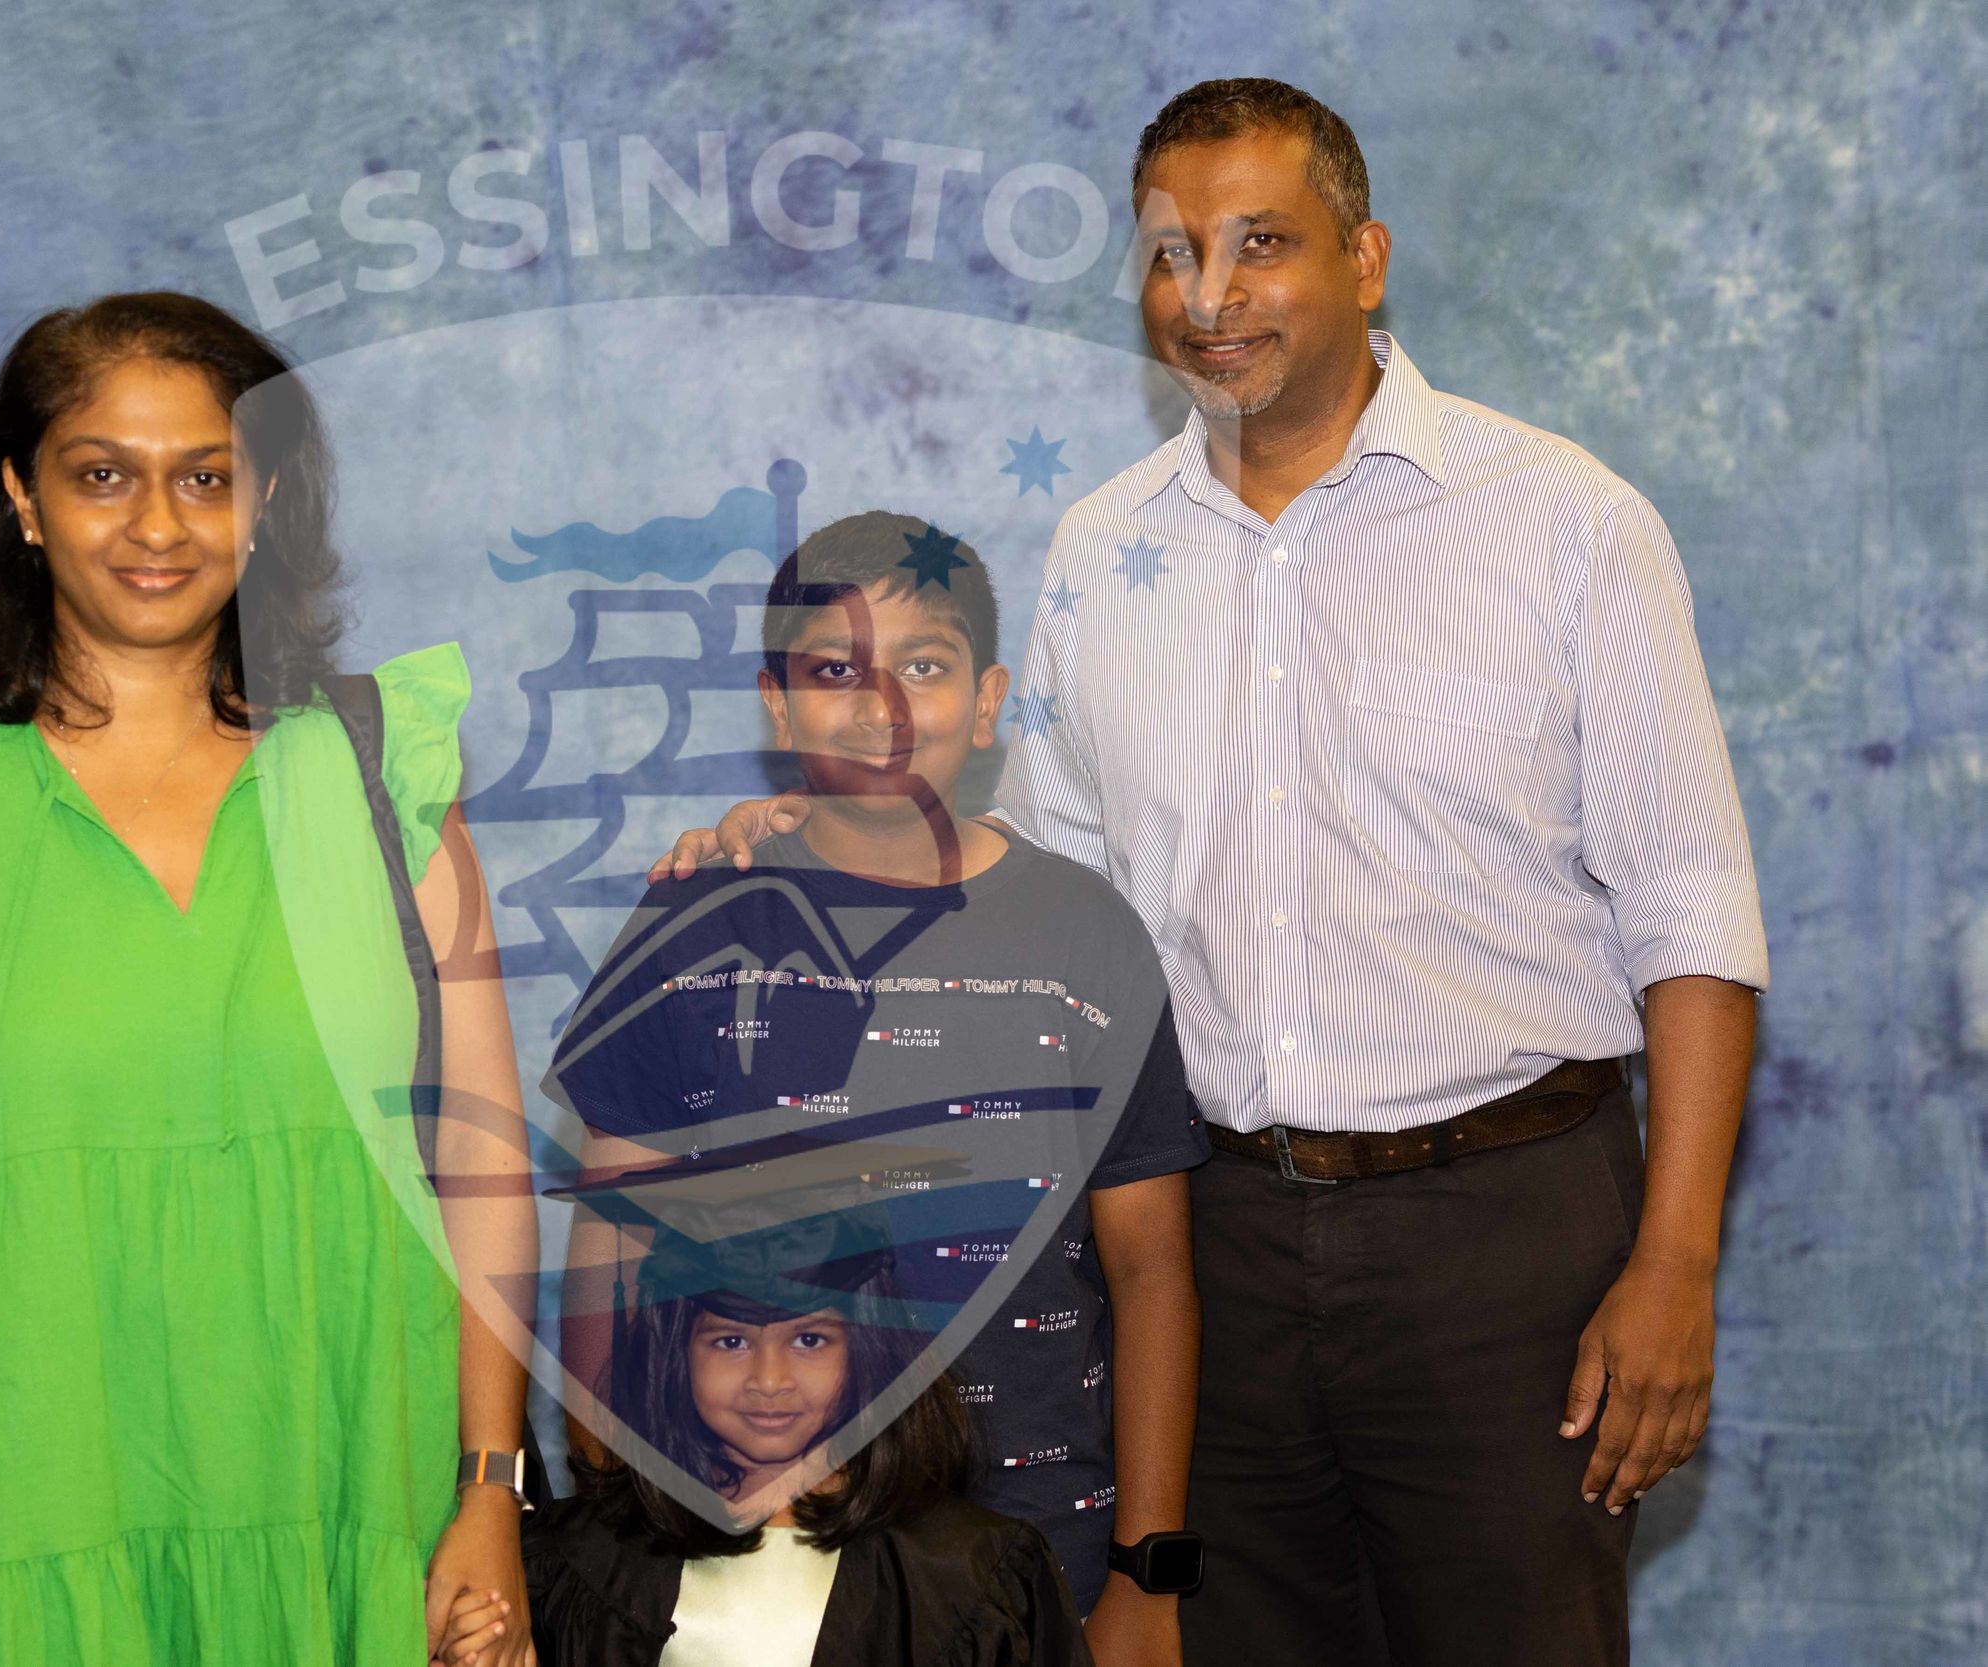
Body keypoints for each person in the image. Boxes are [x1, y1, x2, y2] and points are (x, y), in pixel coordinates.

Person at [654, 80, 1767, 1667]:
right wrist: (803, 850)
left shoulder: (1566, 524)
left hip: (1507, 1235)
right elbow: (1035, 903)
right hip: (1209, 1241)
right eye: (1171, 254)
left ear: (1365, 259)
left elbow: (1692, 911)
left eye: (1262, 244)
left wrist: (1675, 1260)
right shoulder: (1106, 556)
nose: (1209, 295)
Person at [0, 291, 537, 1666]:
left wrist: (490, 1487)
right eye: (101, 474)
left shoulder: (384, 772)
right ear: (23, 497)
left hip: (352, 1517)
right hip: (23, 1535)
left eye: (204, 477)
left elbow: (479, 1159)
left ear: (264, 502)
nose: (157, 524)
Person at [549, 514, 1205, 1665]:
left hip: (1039, 1545)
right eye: (835, 671)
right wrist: (618, 1500)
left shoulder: (1087, 932)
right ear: (777, 704)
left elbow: (1150, 1268)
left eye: (925, 665)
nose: (881, 707)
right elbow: (613, 1231)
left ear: (988, 700)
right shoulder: (696, 921)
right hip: (751, 1558)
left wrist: (1147, 1569)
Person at [523, 1168, 1091, 1666]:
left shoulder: (973, 1577)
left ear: (868, 1348)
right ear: (674, 1355)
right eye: (730, 1341)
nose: (770, 1379)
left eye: (810, 1339)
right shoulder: (577, 1565)